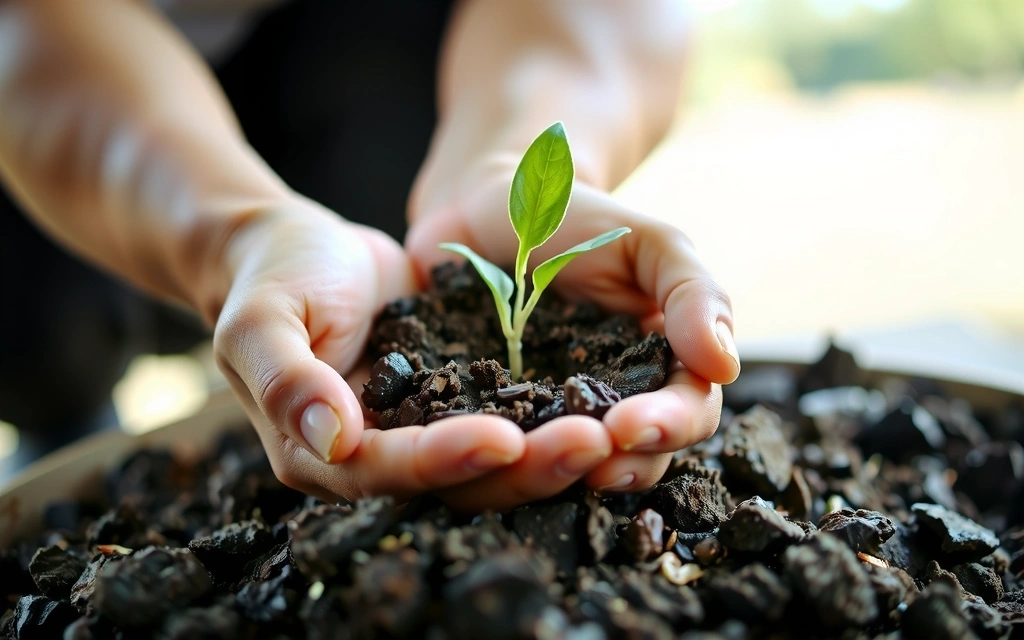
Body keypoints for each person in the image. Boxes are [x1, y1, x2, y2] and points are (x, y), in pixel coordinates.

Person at [0, 0, 739, 511]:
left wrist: (501, 158)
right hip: (65, 85)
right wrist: (237, 231)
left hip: (375, 59)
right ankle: (62, 419)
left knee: (378, 174)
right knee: (36, 332)